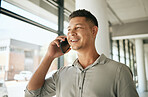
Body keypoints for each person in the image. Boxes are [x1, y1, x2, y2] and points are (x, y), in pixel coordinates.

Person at [25, 9, 139, 97]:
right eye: (69, 29)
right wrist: (49, 56)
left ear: (93, 31)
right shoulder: (61, 74)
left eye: (78, 27)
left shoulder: (119, 71)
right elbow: (31, 94)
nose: (72, 33)